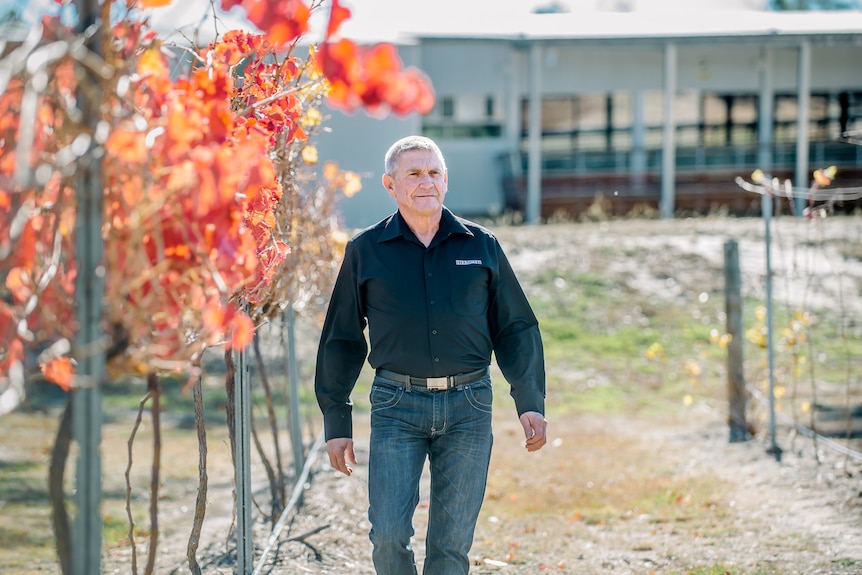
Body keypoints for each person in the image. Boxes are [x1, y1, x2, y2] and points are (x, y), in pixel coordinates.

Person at [314, 135, 547, 575]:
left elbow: (515, 327)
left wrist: (530, 398)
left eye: (434, 173)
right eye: (414, 174)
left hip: (469, 407)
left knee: (451, 546)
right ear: (390, 184)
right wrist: (336, 420)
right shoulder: (365, 251)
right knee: (386, 535)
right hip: (396, 407)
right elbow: (342, 337)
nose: (426, 182)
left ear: (446, 180)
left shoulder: (481, 246)